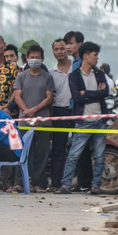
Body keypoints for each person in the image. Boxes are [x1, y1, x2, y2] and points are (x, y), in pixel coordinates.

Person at [60, 41, 112, 195]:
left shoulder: (99, 73)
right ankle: (66, 185)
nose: (97, 58)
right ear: (86, 56)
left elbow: (105, 92)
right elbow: (77, 98)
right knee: (74, 155)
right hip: (83, 122)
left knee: (99, 156)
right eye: (95, 55)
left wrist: (86, 93)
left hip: (100, 121)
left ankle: (95, 185)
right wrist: (94, 92)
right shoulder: (74, 76)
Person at [11, 44, 55, 192]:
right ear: (26, 58)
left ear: (42, 59)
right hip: (24, 121)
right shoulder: (21, 76)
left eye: (37, 57)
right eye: (32, 57)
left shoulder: (47, 77)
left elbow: (49, 98)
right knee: (23, 151)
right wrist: (26, 111)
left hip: (43, 121)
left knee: (42, 154)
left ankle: (39, 183)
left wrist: (34, 110)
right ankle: (21, 182)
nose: (34, 60)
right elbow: (17, 96)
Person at [48, 39, 74, 190]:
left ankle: (82, 183)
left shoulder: (76, 67)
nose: (59, 51)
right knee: (58, 148)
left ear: (67, 50)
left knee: (79, 147)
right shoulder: (51, 73)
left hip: (76, 111)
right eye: (56, 49)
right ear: (53, 52)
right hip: (59, 111)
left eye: (61, 48)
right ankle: (57, 183)